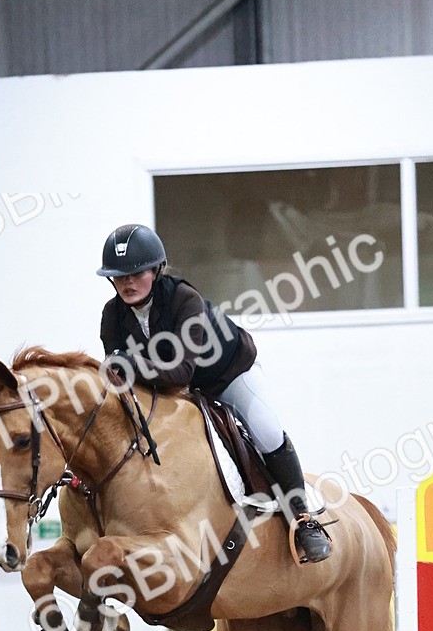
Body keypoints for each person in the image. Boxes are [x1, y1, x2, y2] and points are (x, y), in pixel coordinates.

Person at [97, 223, 331, 564]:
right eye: (119, 276)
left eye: (136, 273)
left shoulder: (183, 299)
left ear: (156, 270)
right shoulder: (112, 315)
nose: (127, 283)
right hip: (175, 389)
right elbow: (117, 380)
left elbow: (180, 372)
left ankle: (303, 519)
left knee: (266, 430)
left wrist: (131, 362)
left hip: (228, 374)